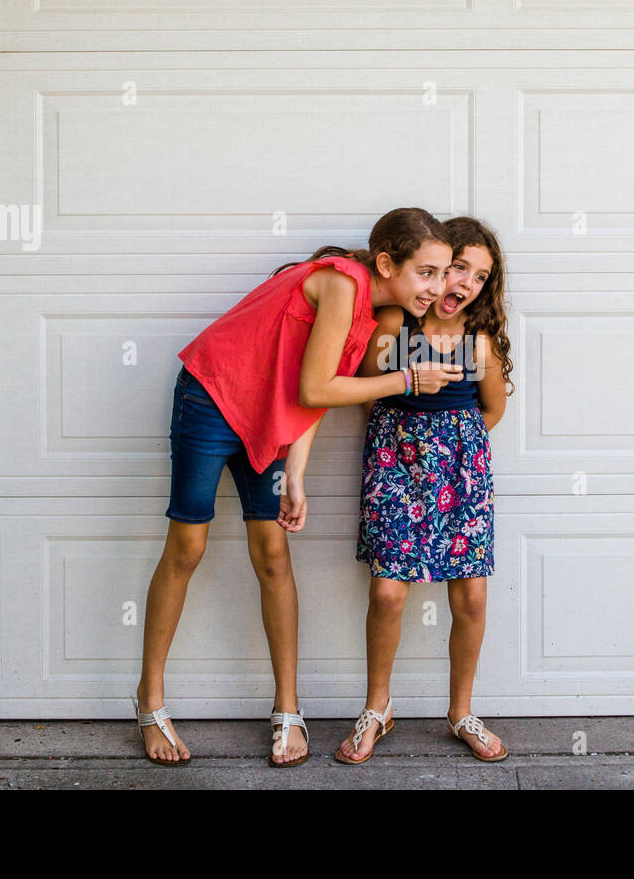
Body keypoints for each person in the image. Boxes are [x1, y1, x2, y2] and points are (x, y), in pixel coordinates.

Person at [133, 208, 465, 767]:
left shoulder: (371, 312)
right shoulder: (342, 284)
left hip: (268, 415)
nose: (437, 287)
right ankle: (150, 702)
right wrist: (407, 378)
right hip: (212, 399)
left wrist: (299, 477)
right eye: (426, 273)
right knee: (187, 547)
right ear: (387, 264)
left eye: (442, 274)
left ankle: (287, 709)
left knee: (274, 554)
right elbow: (318, 386)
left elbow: (317, 396)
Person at [334, 217, 516, 764]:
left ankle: (461, 711)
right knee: (388, 591)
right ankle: (377, 708)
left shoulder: (478, 342)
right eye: (457, 266)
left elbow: (491, 412)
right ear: (433, 267)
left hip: (461, 472)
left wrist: (452, 446)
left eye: (480, 277)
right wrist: (403, 438)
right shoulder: (393, 322)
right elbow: (367, 389)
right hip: (395, 465)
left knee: (472, 596)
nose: (463, 283)